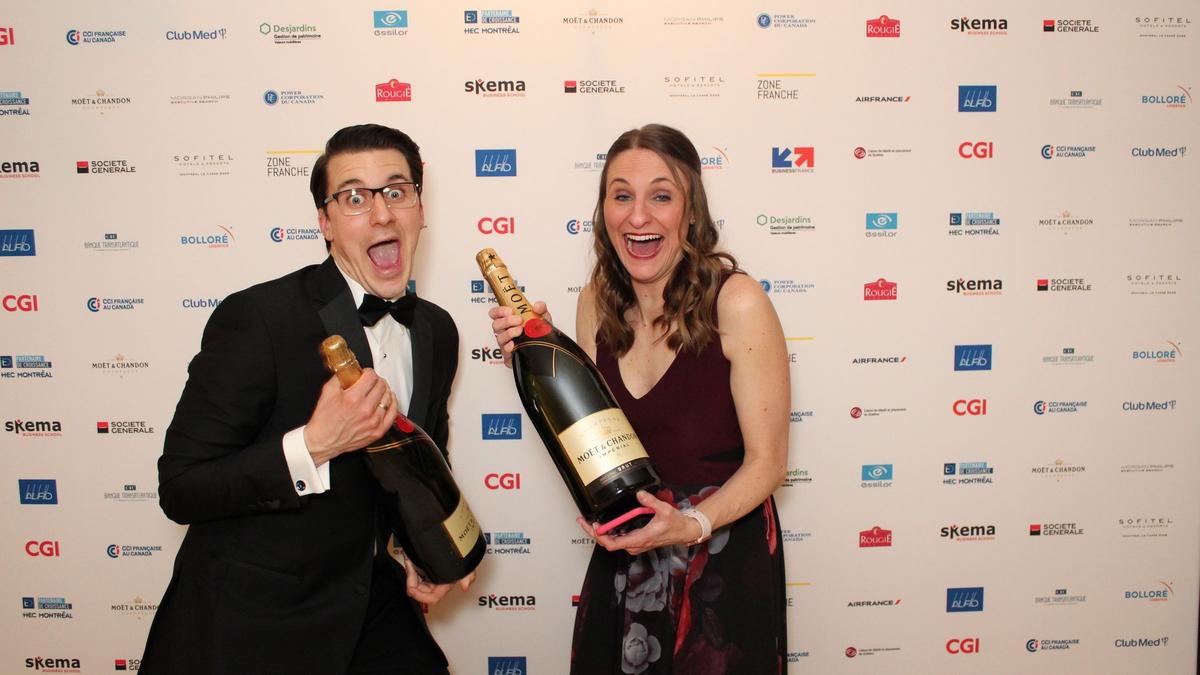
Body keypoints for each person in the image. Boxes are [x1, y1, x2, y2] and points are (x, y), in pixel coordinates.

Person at [141, 124, 472, 675]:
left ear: (420, 208)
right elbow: (181, 487)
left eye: (397, 191)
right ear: (325, 223)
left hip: (373, 606)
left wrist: (425, 547)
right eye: (355, 198)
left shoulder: (436, 330)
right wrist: (314, 445)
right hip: (253, 623)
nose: (382, 214)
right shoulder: (260, 319)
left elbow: (418, 460)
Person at [490, 123, 789, 673]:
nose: (638, 216)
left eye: (661, 196)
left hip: (718, 559)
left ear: (691, 212)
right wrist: (539, 357)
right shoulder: (595, 302)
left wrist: (691, 525)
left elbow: (768, 464)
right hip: (630, 556)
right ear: (603, 211)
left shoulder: (738, 301)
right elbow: (591, 442)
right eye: (622, 196)